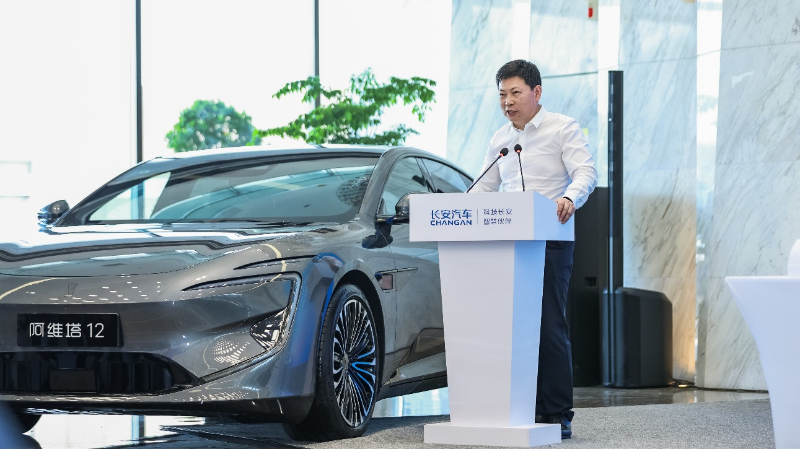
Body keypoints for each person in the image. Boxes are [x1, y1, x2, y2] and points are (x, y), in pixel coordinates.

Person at [469, 59, 597, 439]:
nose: (507, 102)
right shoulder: (500, 139)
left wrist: (570, 198)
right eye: (502, 95)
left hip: (549, 237)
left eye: (515, 93)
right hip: (506, 240)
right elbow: (484, 187)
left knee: (548, 323)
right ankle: (515, 408)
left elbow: (586, 172)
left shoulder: (562, 127)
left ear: (536, 92)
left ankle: (556, 412)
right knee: (509, 326)